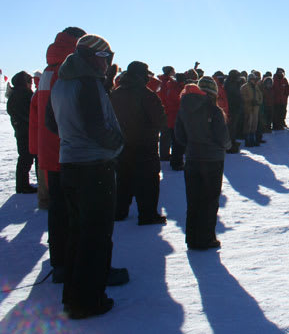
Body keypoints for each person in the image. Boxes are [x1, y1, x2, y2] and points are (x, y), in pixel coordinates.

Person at [47, 34, 127, 319]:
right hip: (94, 166)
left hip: (70, 164)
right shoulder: (88, 82)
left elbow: (50, 122)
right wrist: (117, 144)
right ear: (92, 57)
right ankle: (88, 301)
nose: (108, 65)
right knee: (96, 236)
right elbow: (97, 126)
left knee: (78, 233)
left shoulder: (62, 81)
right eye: (106, 58)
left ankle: (74, 296)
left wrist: (73, 139)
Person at [29, 27, 84, 282]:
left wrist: (36, 149)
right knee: (74, 211)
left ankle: (60, 261)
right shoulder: (68, 71)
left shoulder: (48, 71)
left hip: (50, 152)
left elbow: (36, 116)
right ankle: (71, 265)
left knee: (58, 210)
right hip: (69, 151)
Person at [174, 76, 231, 250]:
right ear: (214, 92)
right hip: (212, 160)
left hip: (192, 159)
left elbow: (179, 136)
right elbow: (222, 137)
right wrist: (227, 145)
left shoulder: (184, 108)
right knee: (209, 201)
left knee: (193, 201)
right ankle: (206, 238)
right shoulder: (214, 111)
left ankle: (192, 238)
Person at [110, 61, 167, 225]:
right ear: (141, 75)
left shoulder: (116, 92)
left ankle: (119, 211)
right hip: (145, 144)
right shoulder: (147, 95)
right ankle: (148, 214)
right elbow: (160, 120)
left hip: (121, 144)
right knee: (148, 182)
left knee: (123, 179)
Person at [7, 71, 37, 193]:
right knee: (26, 158)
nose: (31, 84)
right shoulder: (24, 94)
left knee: (24, 158)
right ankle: (23, 186)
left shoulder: (15, 94)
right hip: (27, 131)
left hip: (21, 131)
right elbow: (29, 113)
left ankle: (22, 184)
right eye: (29, 81)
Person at [240, 73, 263, 146]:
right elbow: (242, 96)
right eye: (252, 79)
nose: (253, 80)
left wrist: (258, 102)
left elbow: (260, 96)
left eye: (254, 79)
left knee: (254, 125)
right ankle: (247, 141)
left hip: (255, 108)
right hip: (248, 108)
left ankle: (253, 140)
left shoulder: (256, 87)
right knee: (248, 125)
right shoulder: (244, 87)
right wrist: (250, 100)